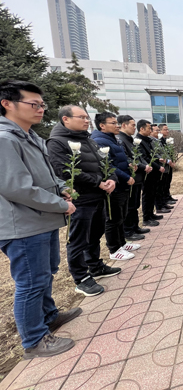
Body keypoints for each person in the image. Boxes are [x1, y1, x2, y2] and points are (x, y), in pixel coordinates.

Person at [0, 80, 79, 358]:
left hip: (41, 220)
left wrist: (62, 188)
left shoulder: (30, 136)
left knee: (45, 273)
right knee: (31, 282)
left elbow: (46, 176)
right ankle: (33, 340)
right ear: (7, 104)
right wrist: (60, 204)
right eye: (33, 104)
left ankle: (49, 316)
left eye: (42, 104)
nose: (41, 109)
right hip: (22, 225)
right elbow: (17, 188)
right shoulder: (5, 139)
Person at [47, 105, 121, 297]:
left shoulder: (88, 140)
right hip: (80, 199)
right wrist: (98, 182)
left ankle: (95, 266)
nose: (87, 120)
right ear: (66, 119)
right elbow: (63, 171)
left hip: (98, 196)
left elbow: (105, 163)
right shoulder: (57, 142)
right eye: (81, 117)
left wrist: (111, 178)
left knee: (95, 234)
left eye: (87, 117)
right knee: (78, 240)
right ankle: (81, 278)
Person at [91, 113, 141, 261]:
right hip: (115, 186)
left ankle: (122, 243)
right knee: (113, 219)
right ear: (102, 125)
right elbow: (108, 165)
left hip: (121, 184)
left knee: (121, 216)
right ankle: (114, 249)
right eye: (113, 123)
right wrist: (126, 177)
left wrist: (129, 165)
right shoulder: (99, 141)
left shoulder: (113, 139)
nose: (117, 125)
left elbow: (118, 160)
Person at [117, 115, 151, 240]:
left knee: (135, 205)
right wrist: (142, 166)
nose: (134, 128)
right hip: (130, 176)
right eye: (132, 125)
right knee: (130, 206)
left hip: (137, 176)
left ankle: (135, 227)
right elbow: (127, 158)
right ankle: (129, 230)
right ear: (124, 125)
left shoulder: (129, 139)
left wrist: (145, 165)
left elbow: (138, 156)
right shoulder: (120, 140)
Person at [136, 119, 165, 226]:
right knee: (147, 195)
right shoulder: (138, 141)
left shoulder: (147, 140)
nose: (150, 130)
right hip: (147, 172)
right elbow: (145, 158)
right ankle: (146, 218)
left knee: (152, 194)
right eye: (149, 128)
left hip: (153, 171)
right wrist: (158, 167)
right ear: (142, 129)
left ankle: (151, 214)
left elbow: (153, 154)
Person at [158, 123, 178, 206]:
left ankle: (168, 196)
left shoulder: (166, 140)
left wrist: (173, 161)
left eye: (167, 129)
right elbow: (162, 153)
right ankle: (165, 198)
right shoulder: (159, 141)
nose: (167, 131)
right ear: (160, 131)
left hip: (169, 164)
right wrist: (168, 161)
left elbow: (170, 152)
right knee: (164, 183)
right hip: (164, 164)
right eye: (165, 129)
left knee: (168, 181)